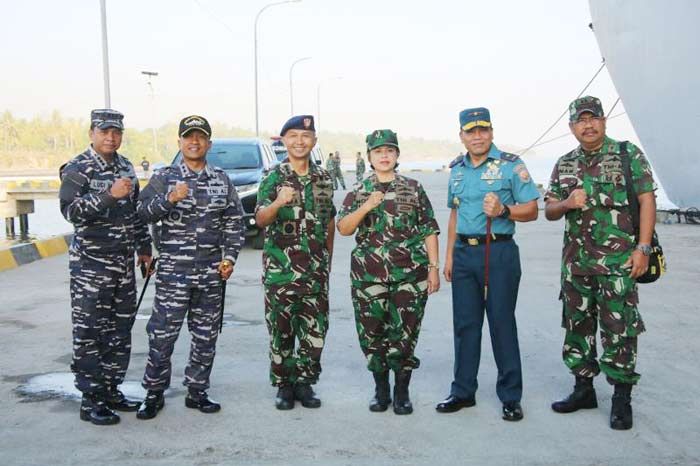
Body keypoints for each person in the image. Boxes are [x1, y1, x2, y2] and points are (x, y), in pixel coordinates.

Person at [545, 96, 657, 430]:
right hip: (576, 266)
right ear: (571, 127)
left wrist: (644, 248)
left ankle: (622, 399)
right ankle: (583, 390)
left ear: (604, 121)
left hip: (619, 264)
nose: (588, 125)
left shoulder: (626, 154)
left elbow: (647, 200)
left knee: (620, 330)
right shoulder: (564, 163)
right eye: (581, 121)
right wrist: (567, 202)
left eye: (593, 118)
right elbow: (549, 211)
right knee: (577, 328)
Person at [135, 115, 244, 420]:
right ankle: (153, 393)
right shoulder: (164, 177)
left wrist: (230, 257)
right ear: (180, 142)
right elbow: (142, 213)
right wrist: (170, 199)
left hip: (210, 273)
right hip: (173, 273)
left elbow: (234, 221)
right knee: (161, 335)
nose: (194, 142)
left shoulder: (221, 179)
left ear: (208, 143)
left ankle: (197, 391)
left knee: (206, 335)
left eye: (200, 137)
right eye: (188, 137)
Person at [435, 107, 538, 421]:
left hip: (499, 254)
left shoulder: (511, 166)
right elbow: (454, 215)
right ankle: (463, 391)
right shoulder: (457, 170)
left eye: (483, 130)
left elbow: (533, 209)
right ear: (462, 136)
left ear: (491, 132)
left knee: (501, 324)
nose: (477, 136)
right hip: (465, 254)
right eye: (471, 131)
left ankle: (510, 396)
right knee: (465, 326)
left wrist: (505, 210)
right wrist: (450, 256)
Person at [59, 108, 153, 425]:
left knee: (120, 329)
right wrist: (108, 196)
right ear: (92, 133)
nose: (110, 137)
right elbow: (70, 211)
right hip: (90, 267)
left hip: (123, 264)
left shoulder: (126, 165)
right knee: (89, 332)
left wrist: (144, 249)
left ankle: (112, 389)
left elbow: (136, 213)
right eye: (104, 131)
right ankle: (91, 399)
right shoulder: (78, 168)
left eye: (116, 132)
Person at [337, 129, 440, 415]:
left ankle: (402, 392)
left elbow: (429, 229)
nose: (384, 156)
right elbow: (344, 229)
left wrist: (433, 268)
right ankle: (380, 390)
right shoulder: (359, 190)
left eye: (389, 151)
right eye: (378, 151)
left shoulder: (413, 188)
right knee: (372, 335)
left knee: (405, 334)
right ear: (369, 157)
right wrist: (367, 206)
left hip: (410, 276)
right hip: (368, 277)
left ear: (396, 155)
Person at [255, 115, 336, 410]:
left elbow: (329, 222)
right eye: (293, 136)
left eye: (305, 135)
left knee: (314, 329)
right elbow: (260, 219)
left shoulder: (324, 179)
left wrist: (327, 260)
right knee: (281, 329)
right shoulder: (274, 178)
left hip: (315, 270)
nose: (299, 141)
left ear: (314, 140)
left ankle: (305, 384)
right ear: (284, 141)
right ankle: (284, 386)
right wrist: (278, 202)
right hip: (281, 273)